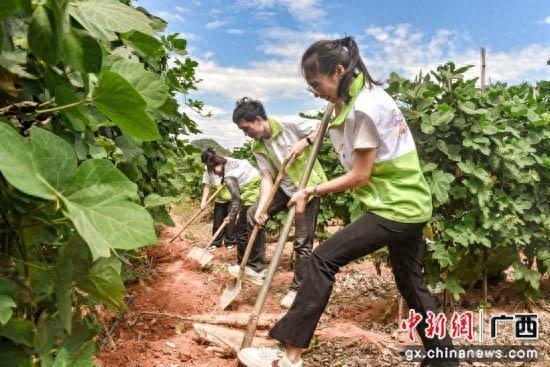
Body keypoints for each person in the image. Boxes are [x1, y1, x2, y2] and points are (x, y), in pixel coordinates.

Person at [238, 37, 458, 367]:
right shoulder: (349, 98)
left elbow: (360, 175)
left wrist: (310, 191)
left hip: (395, 207)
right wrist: (308, 140)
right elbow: (328, 125)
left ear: (339, 71)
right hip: (409, 202)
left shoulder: (366, 109)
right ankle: (444, 359)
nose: (314, 91)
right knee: (410, 281)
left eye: (317, 84)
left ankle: (289, 353)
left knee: (323, 258)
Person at [231, 97, 327, 308]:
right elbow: (266, 178)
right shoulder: (257, 147)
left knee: (302, 242)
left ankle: (297, 289)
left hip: (306, 188)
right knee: (252, 214)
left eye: (246, 128)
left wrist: (305, 142)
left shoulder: (288, 124)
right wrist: (263, 208)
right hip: (283, 188)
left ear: (257, 119)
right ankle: (257, 267)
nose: (246, 134)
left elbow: (323, 126)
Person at [201, 148, 264, 284]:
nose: (215, 174)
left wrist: (229, 217)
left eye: (214, 171)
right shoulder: (226, 161)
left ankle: (250, 267)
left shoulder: (229, 176)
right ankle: (242, 264)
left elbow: (235, 201)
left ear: (217, 165)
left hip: (253, 192)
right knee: (241, 231)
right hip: (250, 189)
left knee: (243, 230)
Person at [200, 163, 236, 251]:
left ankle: (230, 242)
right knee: (217, 221)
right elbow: (206, 187)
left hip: (232, 199)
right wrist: (203, 201)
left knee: (230, 222)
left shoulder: (226, 167)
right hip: (219, 199)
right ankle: (215, 242)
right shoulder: (207, 172)